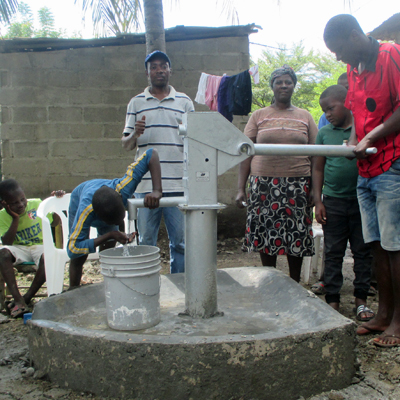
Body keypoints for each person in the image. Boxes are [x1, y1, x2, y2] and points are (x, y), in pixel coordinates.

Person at [324, 14, 400, 347]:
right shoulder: (354, 72)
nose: (339, 58)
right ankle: (383, 315)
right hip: (366, 171)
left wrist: (372, 137)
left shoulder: (391, 55)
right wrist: (355, 141)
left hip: (392, 164)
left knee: (396, 246)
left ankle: (399, 322)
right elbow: (359, 116)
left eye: (339, 50)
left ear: (355, 36)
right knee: (376, 246)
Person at [235, 65, 317, 282]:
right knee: (266, 231)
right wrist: (240, 188)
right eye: (279, 82)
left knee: (296, 232)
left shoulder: (305, 116)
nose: (283, 86)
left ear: (294, 85)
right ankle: (269, 281)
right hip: (264, 183)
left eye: (288, 82)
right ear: (272, 86)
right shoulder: (259, 116)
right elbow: (245, 153)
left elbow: (317, 155)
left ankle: (295, 282)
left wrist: (317, 189)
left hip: (297, 183)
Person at [121, 51, 194, 274]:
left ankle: (180, 286)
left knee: (181, 243)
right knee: (146, 242)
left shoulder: (184, 102)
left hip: (178, 184)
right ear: (147, 73)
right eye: (154, 67)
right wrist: (134, 134)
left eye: (163, 66)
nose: (159, 70)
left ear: (170, 70)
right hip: (144, 186)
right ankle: (148, 285)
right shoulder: (136, 102)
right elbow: (126, 144)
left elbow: (195, 140)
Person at [312, 84, 374, 321]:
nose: (327, 114)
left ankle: (361, 301)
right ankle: (333, 300)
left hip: (361, 200)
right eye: (324, 110)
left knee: (362, 251)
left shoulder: (364, 129)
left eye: (331, 108)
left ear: (347, 102)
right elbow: (317, 168)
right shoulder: (325, 133)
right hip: (334, 201)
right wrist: (318, 201)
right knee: (333, 251)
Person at [67, 149, 162, 288]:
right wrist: (110, 234)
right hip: (80, 198)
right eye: (113, 223)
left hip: (106, 202)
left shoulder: (124, 187)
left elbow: (151, 154)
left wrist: (157, 190)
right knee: (79, 256)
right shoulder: (85, 211)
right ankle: (73, 290)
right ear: (100, 218)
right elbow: (73, 248)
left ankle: (109, 286)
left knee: (109, 251)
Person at [0, 179, 64, 318]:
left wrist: (55, 203)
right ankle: (17, 299)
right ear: (4, 203)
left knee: (49, 257)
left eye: (22, 199)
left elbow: (55, 222)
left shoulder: (36, 204)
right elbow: (7, 242)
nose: (21, 204)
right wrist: (15, 218)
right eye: (14, 203)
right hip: (19, 248)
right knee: (3, 253)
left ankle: (26, 299)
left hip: (40, 246)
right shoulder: (2, 216)